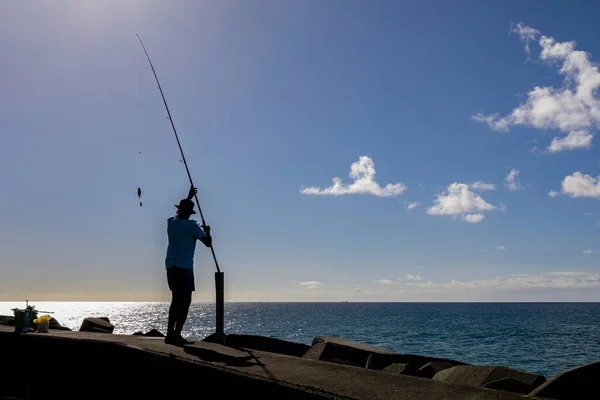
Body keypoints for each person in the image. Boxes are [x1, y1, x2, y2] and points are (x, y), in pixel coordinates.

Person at [164, 186, 212, 345]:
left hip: (171, 267)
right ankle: (176, 334)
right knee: (185, 301)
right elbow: (208, 244)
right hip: (185, 267)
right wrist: (208, 231)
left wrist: (189, 197)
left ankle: (170, 333)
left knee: (175, 300)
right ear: (189, 213)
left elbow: (180, 214)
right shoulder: (193, 227)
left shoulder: (171, 224)